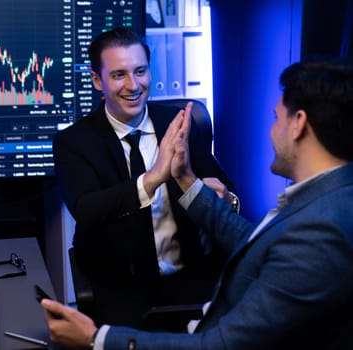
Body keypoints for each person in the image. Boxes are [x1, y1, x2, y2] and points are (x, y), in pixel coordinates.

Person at [42, 58, 353, 349]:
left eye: (276, 118)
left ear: (298, 123)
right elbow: (254, 242)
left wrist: (97, 339)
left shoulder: (320, 232)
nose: (272, 131)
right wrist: (187, 180)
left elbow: (219, 345)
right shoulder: (328, 199)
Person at [53, 27, 237, 328]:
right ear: (98, 80)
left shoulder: (179, 124)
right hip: (122, 290)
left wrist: (225, 198)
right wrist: (151, 179)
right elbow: (86, 210)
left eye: (140, 71)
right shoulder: (74, 142)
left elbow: (227, 191)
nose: (133, 85)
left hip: (191, 278)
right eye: (119, 75)